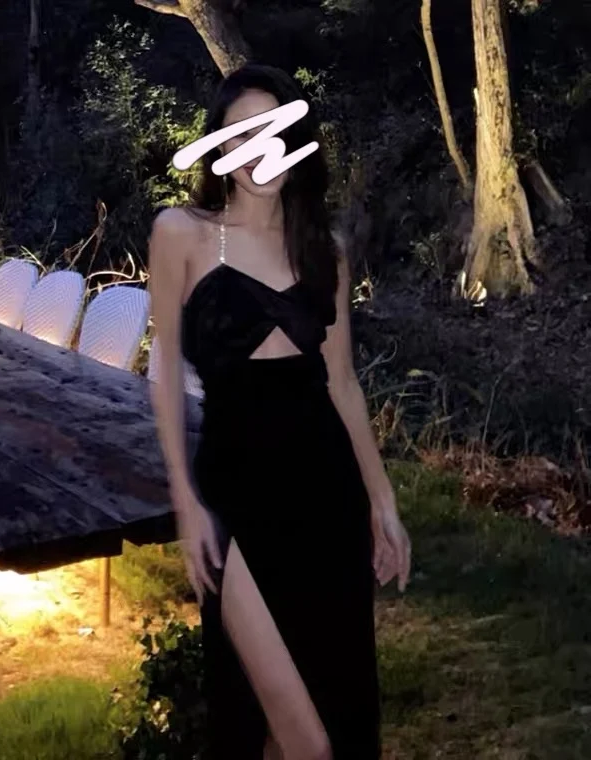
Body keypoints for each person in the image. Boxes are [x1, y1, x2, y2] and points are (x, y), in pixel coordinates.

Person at [148, 63, 411, 760]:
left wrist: (382, 502)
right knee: (294, 733)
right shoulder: (181, 234)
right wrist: (185, 501)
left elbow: (342, 383)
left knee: (327, 709)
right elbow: (165, 370)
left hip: (326, 494)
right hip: (235, 493)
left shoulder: (326, 250)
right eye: (239, 135)